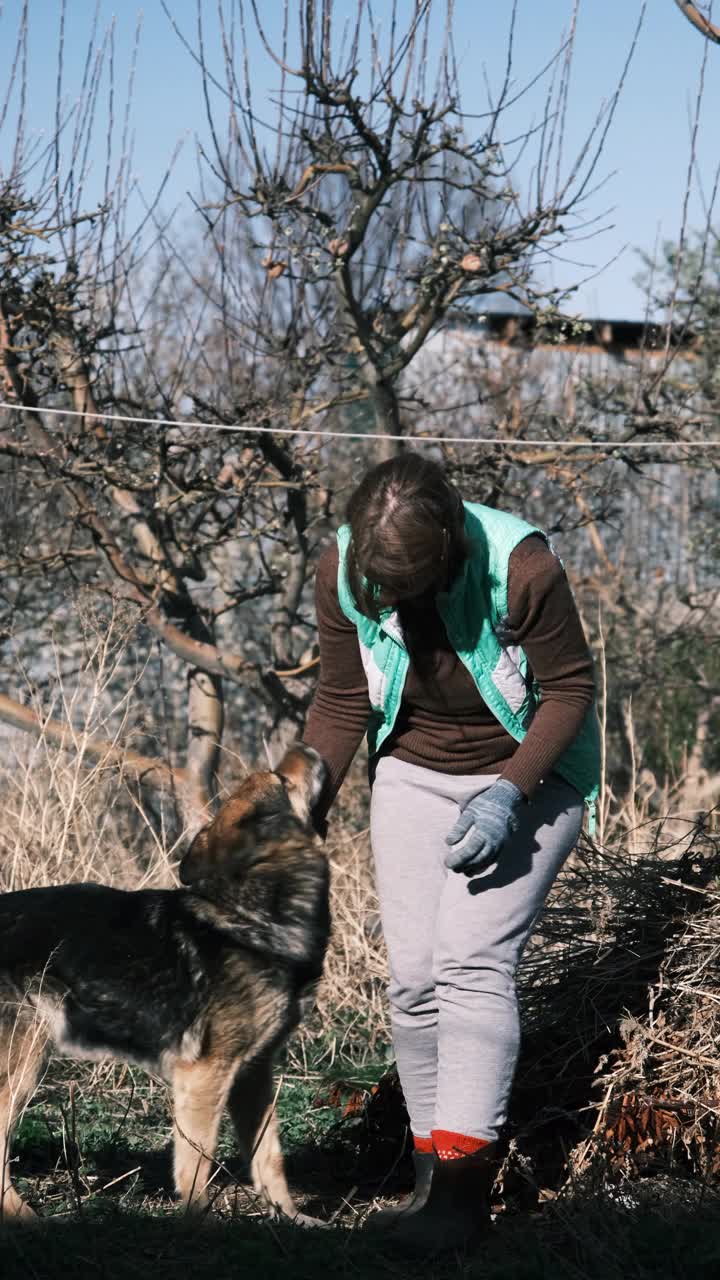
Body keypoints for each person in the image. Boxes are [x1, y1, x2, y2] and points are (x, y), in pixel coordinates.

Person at [302, 452, 600, 1251]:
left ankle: (464, 1202)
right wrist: (300, 804)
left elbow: (571, 689)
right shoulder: (342, 566)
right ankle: (434, 1180)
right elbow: (339, 699)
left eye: (410, 590)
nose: (391, 604)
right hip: (411, 770)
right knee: (414, 982)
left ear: (448, 559)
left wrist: (510, 792)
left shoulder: (520, 564)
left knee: (471, 963)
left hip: (530, 776)